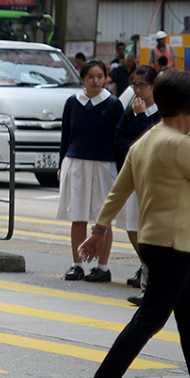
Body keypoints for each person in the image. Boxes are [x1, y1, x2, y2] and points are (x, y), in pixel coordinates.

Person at [78, 70, 190, 378]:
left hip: (157, 242)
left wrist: (99, 230)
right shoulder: (180, 145)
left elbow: (119, 190)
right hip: (174, 245)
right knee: (151, 318)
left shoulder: (147, 140)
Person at [58, 60, 124, 283]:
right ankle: (77, 264)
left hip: (104, 167)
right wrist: (60, 164)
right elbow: (65, 136)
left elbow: (120, 140)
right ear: (83, 79)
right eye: (90, 77)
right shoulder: (72, 102)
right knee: (78, 216)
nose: (95, 81)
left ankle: (102, 267)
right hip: (76, 164)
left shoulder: (113, 104)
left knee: (101, 219)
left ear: (106, 78)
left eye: (100, 76)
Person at [108, 65, 160, 286]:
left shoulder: (161, 111)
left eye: (142, 85)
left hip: (154, 178)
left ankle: (152, 273)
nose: (138, 90)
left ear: (153, 86)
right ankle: (146, 266)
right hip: (132, 173)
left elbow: (153, 139)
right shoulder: (131, 108)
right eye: (134, 85)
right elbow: (118, 137)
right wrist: (134, 148)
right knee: (132, 228)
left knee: (149, 228)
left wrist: (139, 116)